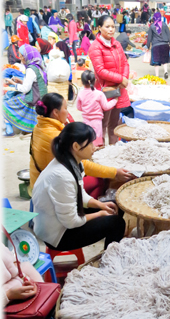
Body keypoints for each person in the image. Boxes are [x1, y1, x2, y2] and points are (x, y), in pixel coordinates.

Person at [32, 122, 126, 253]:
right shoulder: (61, 176)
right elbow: (71, 222)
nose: (94, 147)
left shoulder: (73, 162)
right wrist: (99, 214)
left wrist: (100, 205)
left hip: (65, 218)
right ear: (76, 146)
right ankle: (109, 264)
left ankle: (109, 254)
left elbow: (79, 193)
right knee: (117, 223)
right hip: (57, 234)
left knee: (116, 206)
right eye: (90, 144)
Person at [30, 93, 132, 201]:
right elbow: (81, 165)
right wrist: (114, 173)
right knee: (101, 179)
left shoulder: (40, 126)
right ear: (55, 112)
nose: (67, 112)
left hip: (38, 182)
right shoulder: (54, 135)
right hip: (49, 190)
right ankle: (85, 205)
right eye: (65, 108)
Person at [88, 15, 132, 145]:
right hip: (105, 90)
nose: (111, 29)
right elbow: (100, 71)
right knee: (102, 124)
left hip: (118, 89)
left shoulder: (116, 44)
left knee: (114, 124)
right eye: (107, 27)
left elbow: (125, 63)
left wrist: (124, 79)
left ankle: (113, 151)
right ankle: (101, 153)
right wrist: (121, 79)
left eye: (113, 26)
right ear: (99, 28)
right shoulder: (95, 47)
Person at [3, 45, 47, 134]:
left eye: (21, 55)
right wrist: (21, 81)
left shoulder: (30, 70)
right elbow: (35, 83)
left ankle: (9, 130)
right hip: (40, 97)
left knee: (4, 105)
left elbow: (25, 89)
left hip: (32, 99)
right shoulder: (39, 66)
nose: (20, 58)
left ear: (26, 56)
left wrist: (13, 83)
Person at [77, 70, 118, 146]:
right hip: (97, 122)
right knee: (97, 141)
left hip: (86, 121)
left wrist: (86, 109)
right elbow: (106, 106)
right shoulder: (99, 94)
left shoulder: (80, 93)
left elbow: (79, 107)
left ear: (82, 82)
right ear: (95, 81)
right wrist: (114, 101)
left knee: (88, 140)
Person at [146, 12, 170, 79]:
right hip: (165, 45)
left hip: (156, 45)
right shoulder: (164, 25)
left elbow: (149, 37)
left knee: (156, 61)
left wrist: (148, 46)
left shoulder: (152, 26)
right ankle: (165, 71)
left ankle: (157, 75)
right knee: (164, 60)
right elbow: (168, 34)